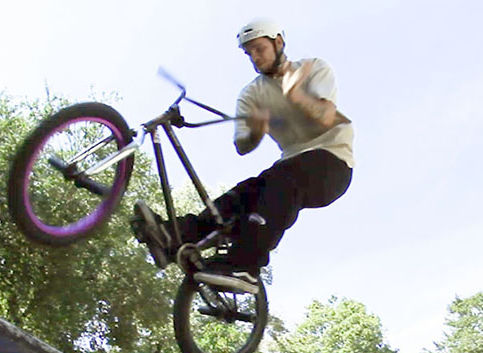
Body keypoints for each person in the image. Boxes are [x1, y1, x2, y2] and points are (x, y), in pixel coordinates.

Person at [131, 18, 354, 287]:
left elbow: (326, 114)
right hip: (290, 165)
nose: (255, 58)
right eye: (249, 53)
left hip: (332, 163)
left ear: (278, 42)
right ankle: (172, 237)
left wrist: (296, 95)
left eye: (260, 49)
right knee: (239, 198)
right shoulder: (251, 94)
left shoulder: (314, 68)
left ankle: (247, 265)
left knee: (281, 179)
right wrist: (256, 131)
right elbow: (242, 146)